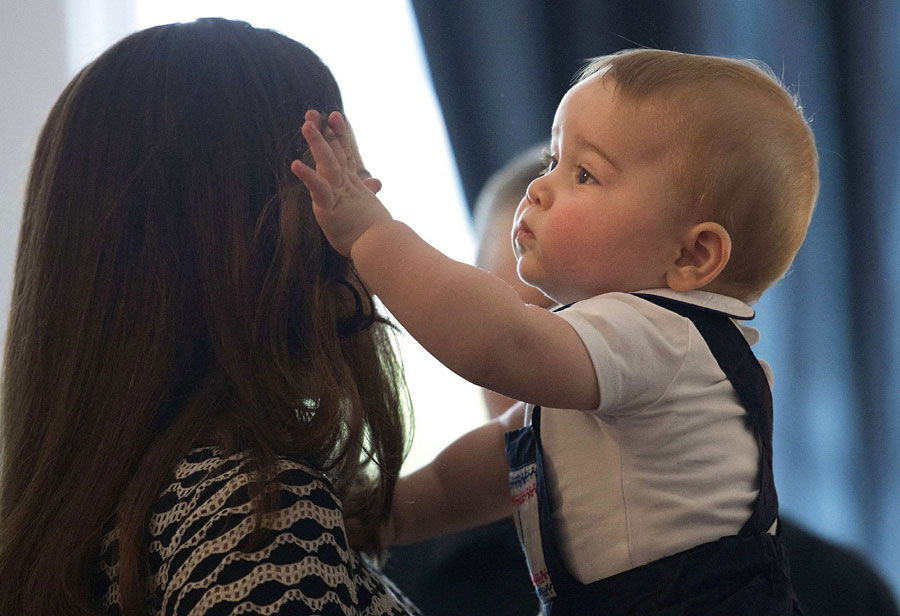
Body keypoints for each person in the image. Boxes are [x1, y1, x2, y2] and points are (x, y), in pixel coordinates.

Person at [294, 47, 818, 614]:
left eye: (584, 173)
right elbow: (493, 467)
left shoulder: (663, 336)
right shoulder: (617, 367)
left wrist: (369, 233)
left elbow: (499, 342)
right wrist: (383, 514)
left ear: (692, 255)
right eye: (552, 161)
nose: (539, 190)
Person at [0, 18, 421, 616]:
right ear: (259, 225)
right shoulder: (258, 516)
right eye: (336, 173)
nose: (363, 202)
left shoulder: (107, 528)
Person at [384, 145, 900, 616]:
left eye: (588, 323)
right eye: (521, 315)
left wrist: (370, 236)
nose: (541, 362)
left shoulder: (838, 593)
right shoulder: (388, 576)